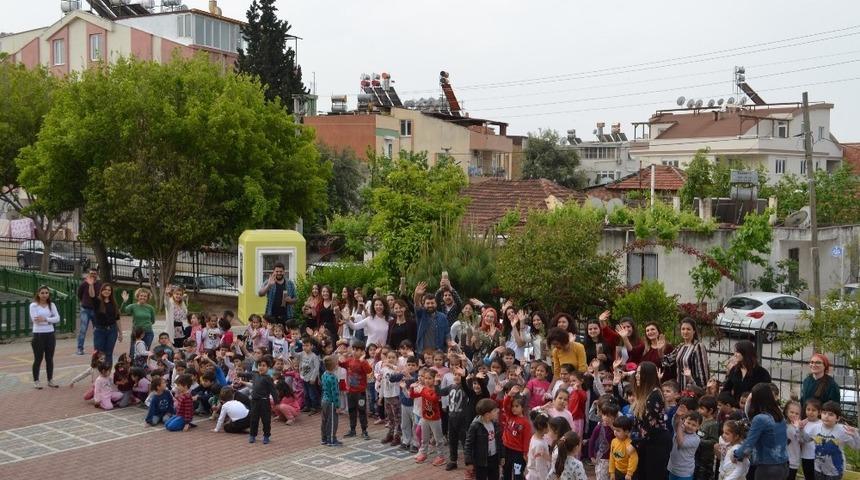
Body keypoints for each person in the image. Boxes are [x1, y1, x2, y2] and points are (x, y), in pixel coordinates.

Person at [732, 383, 789, 480]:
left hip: (767, 467)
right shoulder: (779, 415)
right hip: (783, 465)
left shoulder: (760, 419)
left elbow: (749, 444)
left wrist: (736, 454)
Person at [797, 401, 860, 480]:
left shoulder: (843, 430)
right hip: (818, 470)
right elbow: (805, 439)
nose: (826, 416)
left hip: (835, 472)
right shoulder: (815, 428)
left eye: (831, 414)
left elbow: (857, 447)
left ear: (838, 418)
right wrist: (801, 429)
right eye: (824, 413)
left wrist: (855, 436)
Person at [632, 361, 672, 480]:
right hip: (648, 443)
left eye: (640, 373)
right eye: (637, 373)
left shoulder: (655, 394)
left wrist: (634, 444)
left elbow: (650, 426)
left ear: (647, 375)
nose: (637, 376)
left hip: (657, 443)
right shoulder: (646, 393)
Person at [411, 368, 446, 466]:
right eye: (425, 378)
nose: (427, 380)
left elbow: (433, 398)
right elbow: (413, 396)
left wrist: (421, 391)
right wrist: (411, 388)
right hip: (425, 417)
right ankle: (423, 453)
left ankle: (441, 456)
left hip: (435, 419)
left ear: (435, 379)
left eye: (430, 378)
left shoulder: (436, 389)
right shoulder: (424, 388)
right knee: (424, 438)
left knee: (438, 439)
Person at [662, 318, 709, 389]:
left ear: (694, 331)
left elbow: (703, 372)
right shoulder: (680, 346)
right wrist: (660, 350)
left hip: (693, 390)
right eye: (683, 329)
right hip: (680, 389)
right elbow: (667, 362)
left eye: (688, 329)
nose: (685, 331)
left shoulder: (698, 346)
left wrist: (702, 388)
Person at [340, 341, 372, 440]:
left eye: (357, 350)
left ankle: (364, 430)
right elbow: (340, 363)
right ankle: (352, 430)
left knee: (362, 411)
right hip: (350, 392)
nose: (355, 352)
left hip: (360, 392)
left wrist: (362, 361)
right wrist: (340, 353)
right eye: (354, 349)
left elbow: (369, 371)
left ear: (362, 352)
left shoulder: (363, 362)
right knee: (351, 411)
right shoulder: (349, 360)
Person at [30, 285, 60, 389]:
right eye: (42, 293)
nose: (44, 295)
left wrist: (46, 319)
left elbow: (57, 318)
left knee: (49, 358)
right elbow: (36, 320)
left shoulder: (52, 305)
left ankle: (50, 380)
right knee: (38, 358)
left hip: (50, 334)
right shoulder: (33, 305)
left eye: (46, 293)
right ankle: (36, 381)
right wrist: (49, 320)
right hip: (38, 335)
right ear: (38, 294)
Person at [465, 398, 503, 480]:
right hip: (481, 461)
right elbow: (468, 444)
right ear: (487, 414)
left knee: (495, 477)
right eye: (495, 410)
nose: (498, 411)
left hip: (494, 458)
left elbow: (500, 441)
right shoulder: (475, 426)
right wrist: (469, 462)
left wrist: (502, 456)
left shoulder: (495, 424)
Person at [89, 279, 121, 366]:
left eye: (109, 290)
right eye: (105, 289)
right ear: (101, 290)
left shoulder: (113, 303)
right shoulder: (97, 302)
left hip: (112, 331)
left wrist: (120, 333)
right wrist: (91, 285)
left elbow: (117, 318)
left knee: (109, 353)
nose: (107, 291)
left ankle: (107, 373)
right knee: (98, 353)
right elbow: (92, 295)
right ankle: (97, 373)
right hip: (100, 331)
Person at [247, 357, 279, 444]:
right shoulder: (255, 375)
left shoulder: (268, 378)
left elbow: (273, 391)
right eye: (260, 365)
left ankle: (266, 436)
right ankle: (252, 435)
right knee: (253, 419)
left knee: (266, 420)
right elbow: (246, 374)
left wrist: (276, 402)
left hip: (264, 402)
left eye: (264, 366)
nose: (261, 367)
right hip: (254, 401)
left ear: (268, 368)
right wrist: (238, 373)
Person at [413, 281, 451, 353]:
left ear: (436, 304)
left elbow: (447, 333)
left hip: (438, 354)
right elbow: (417, 304)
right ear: (424, 305)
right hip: (422, 353)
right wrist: (417, 295)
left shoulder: (442, 317)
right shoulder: (421, 314)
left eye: (432, 303)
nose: (430, 305)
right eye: (428, 303)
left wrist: (449, 343)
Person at [257, 262, 296, 327]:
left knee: (285, 335)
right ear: (274, 272)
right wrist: (269, 285)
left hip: (286, 315)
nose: (279, 273)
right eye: (277, 271)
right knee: (271, 335)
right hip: (271, 315)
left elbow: (296, 298)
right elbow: (260, 294)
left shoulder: (290, 283)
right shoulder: (269, 281)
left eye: (281, 271)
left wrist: (290, 300)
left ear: (284, 272)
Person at [121, 288, 156, 355]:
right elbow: (123, 311)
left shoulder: (150, 308)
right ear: (138, 296)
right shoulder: (133, 306)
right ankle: (132, 364)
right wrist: (124, 301)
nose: (143, 297)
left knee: (145, 352)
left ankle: (144, 365)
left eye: (145, 296)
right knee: (133, 351)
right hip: (136, 333)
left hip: (148, 333)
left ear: (148, 298)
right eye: (141, 295)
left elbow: (153, 320)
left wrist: (145, 326)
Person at [668, 411, 702, 480]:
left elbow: (681, 443)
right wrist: (678, 414)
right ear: (684, 421)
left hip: (685, 473)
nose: (690, 426)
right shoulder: (680, 429)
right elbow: (674, 422)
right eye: (688, 423)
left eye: (694, 425)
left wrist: (679, 426)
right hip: (673, 469)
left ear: (698, 427)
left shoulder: (696, 439)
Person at [76, 269, 100, 355]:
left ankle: (97, 349)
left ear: (97, 275)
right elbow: (79, 294)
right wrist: (83, 301)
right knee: (83, 329)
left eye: (95, 273)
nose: (93, 275)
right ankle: (80, 348)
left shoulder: (99, 284)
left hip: (95, 310)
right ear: (88, 274)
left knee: (97, 330)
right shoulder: (84, 284)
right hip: (85, 309)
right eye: (91, 273)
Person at [320, 355, 342, 446]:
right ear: (334, 366)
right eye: (337, 364)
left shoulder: (324, 374)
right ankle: (331, 439)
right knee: (332, 421)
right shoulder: (333, 377)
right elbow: (335, 393)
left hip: (324, 400)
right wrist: (337, 406)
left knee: (324, 421)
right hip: (331, 402)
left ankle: (324, 438)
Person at [609, 416, 638, 480]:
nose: (615, 432)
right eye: (614, 429)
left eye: (618, 430)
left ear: (626, 432)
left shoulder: (630, 444)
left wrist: (629, 473)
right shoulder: (613, 441)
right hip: (617, 471)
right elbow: (612, 457)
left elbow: (634, 459)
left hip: (628, 474)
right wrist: (612, 472)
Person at [526, 411, 551, 480]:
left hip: (534, 474)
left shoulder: (535, 437)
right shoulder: (539, 445)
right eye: (549, 425)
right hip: (537, 476)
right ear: (542, 427)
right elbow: (540, 466)